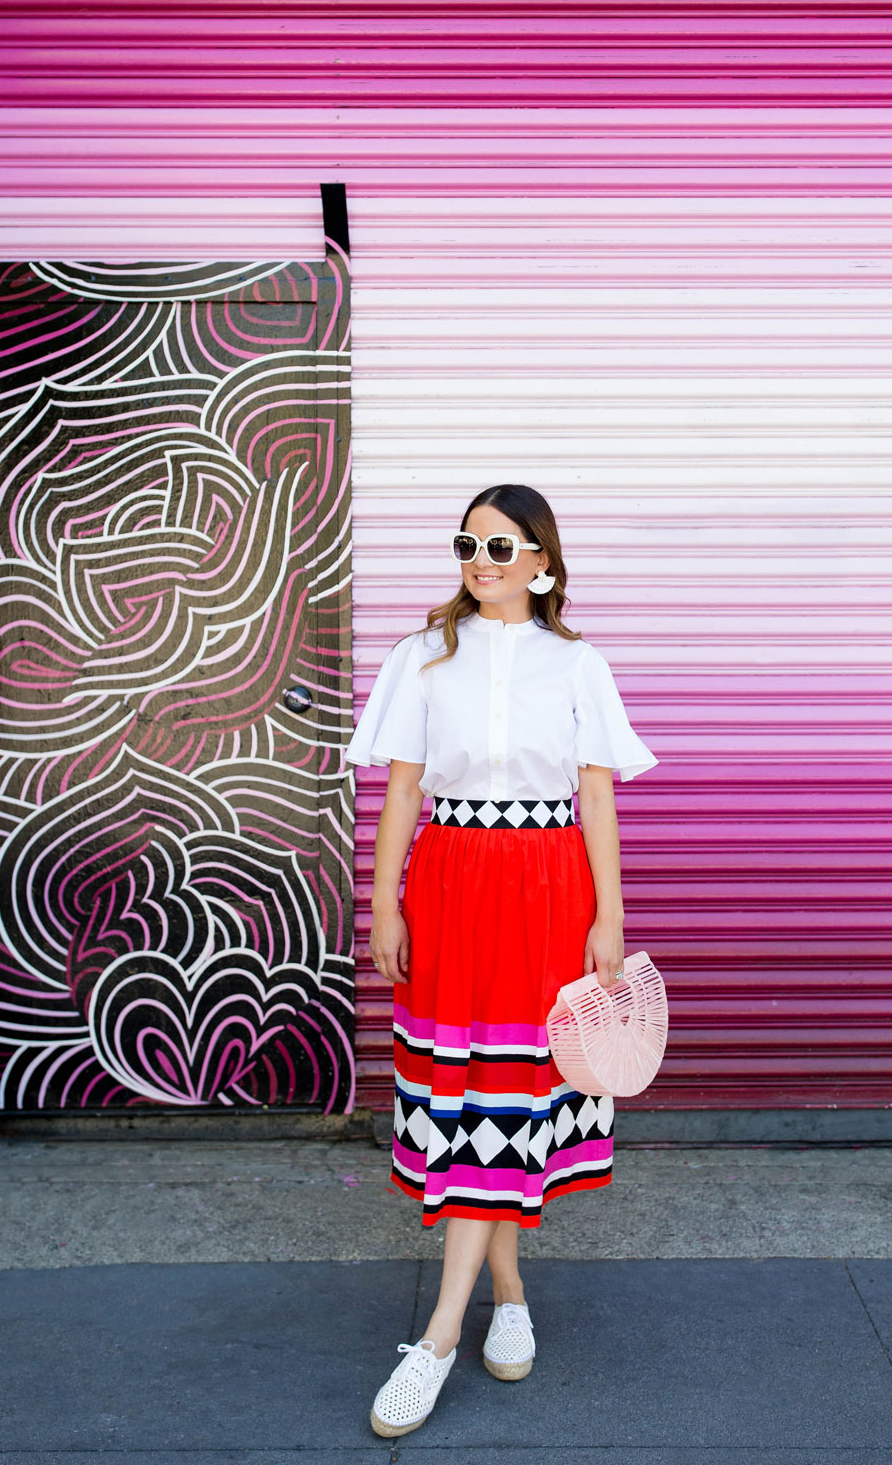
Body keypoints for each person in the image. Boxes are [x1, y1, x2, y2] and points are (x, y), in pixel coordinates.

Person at [342, 483, 658, 1438]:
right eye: (467, 544)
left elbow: (597, 797)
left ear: (543, 562)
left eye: (500, 547)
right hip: (450, 882)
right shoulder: (422, 657)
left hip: (549, 887)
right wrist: (382, 899)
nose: (479, 561)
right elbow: (401, 792)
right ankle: (508, 1292)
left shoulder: (577, 664)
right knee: (469, 1097)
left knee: (511, 1095)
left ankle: (440, 1335)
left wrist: (610, 915)